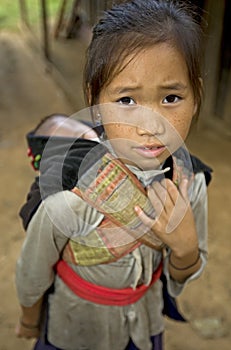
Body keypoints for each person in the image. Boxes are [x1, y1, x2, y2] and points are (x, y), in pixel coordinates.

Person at [15, 1, 212, 349]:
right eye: (126, 101)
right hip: (72, 330)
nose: (151, 125)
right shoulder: (74, 191)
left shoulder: (190, 183)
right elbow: (33, 270)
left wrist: (184, 252)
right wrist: (31, 321)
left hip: (144, 328)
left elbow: (181, 274)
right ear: (95, 101)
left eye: (171, 97)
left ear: (195, 96)